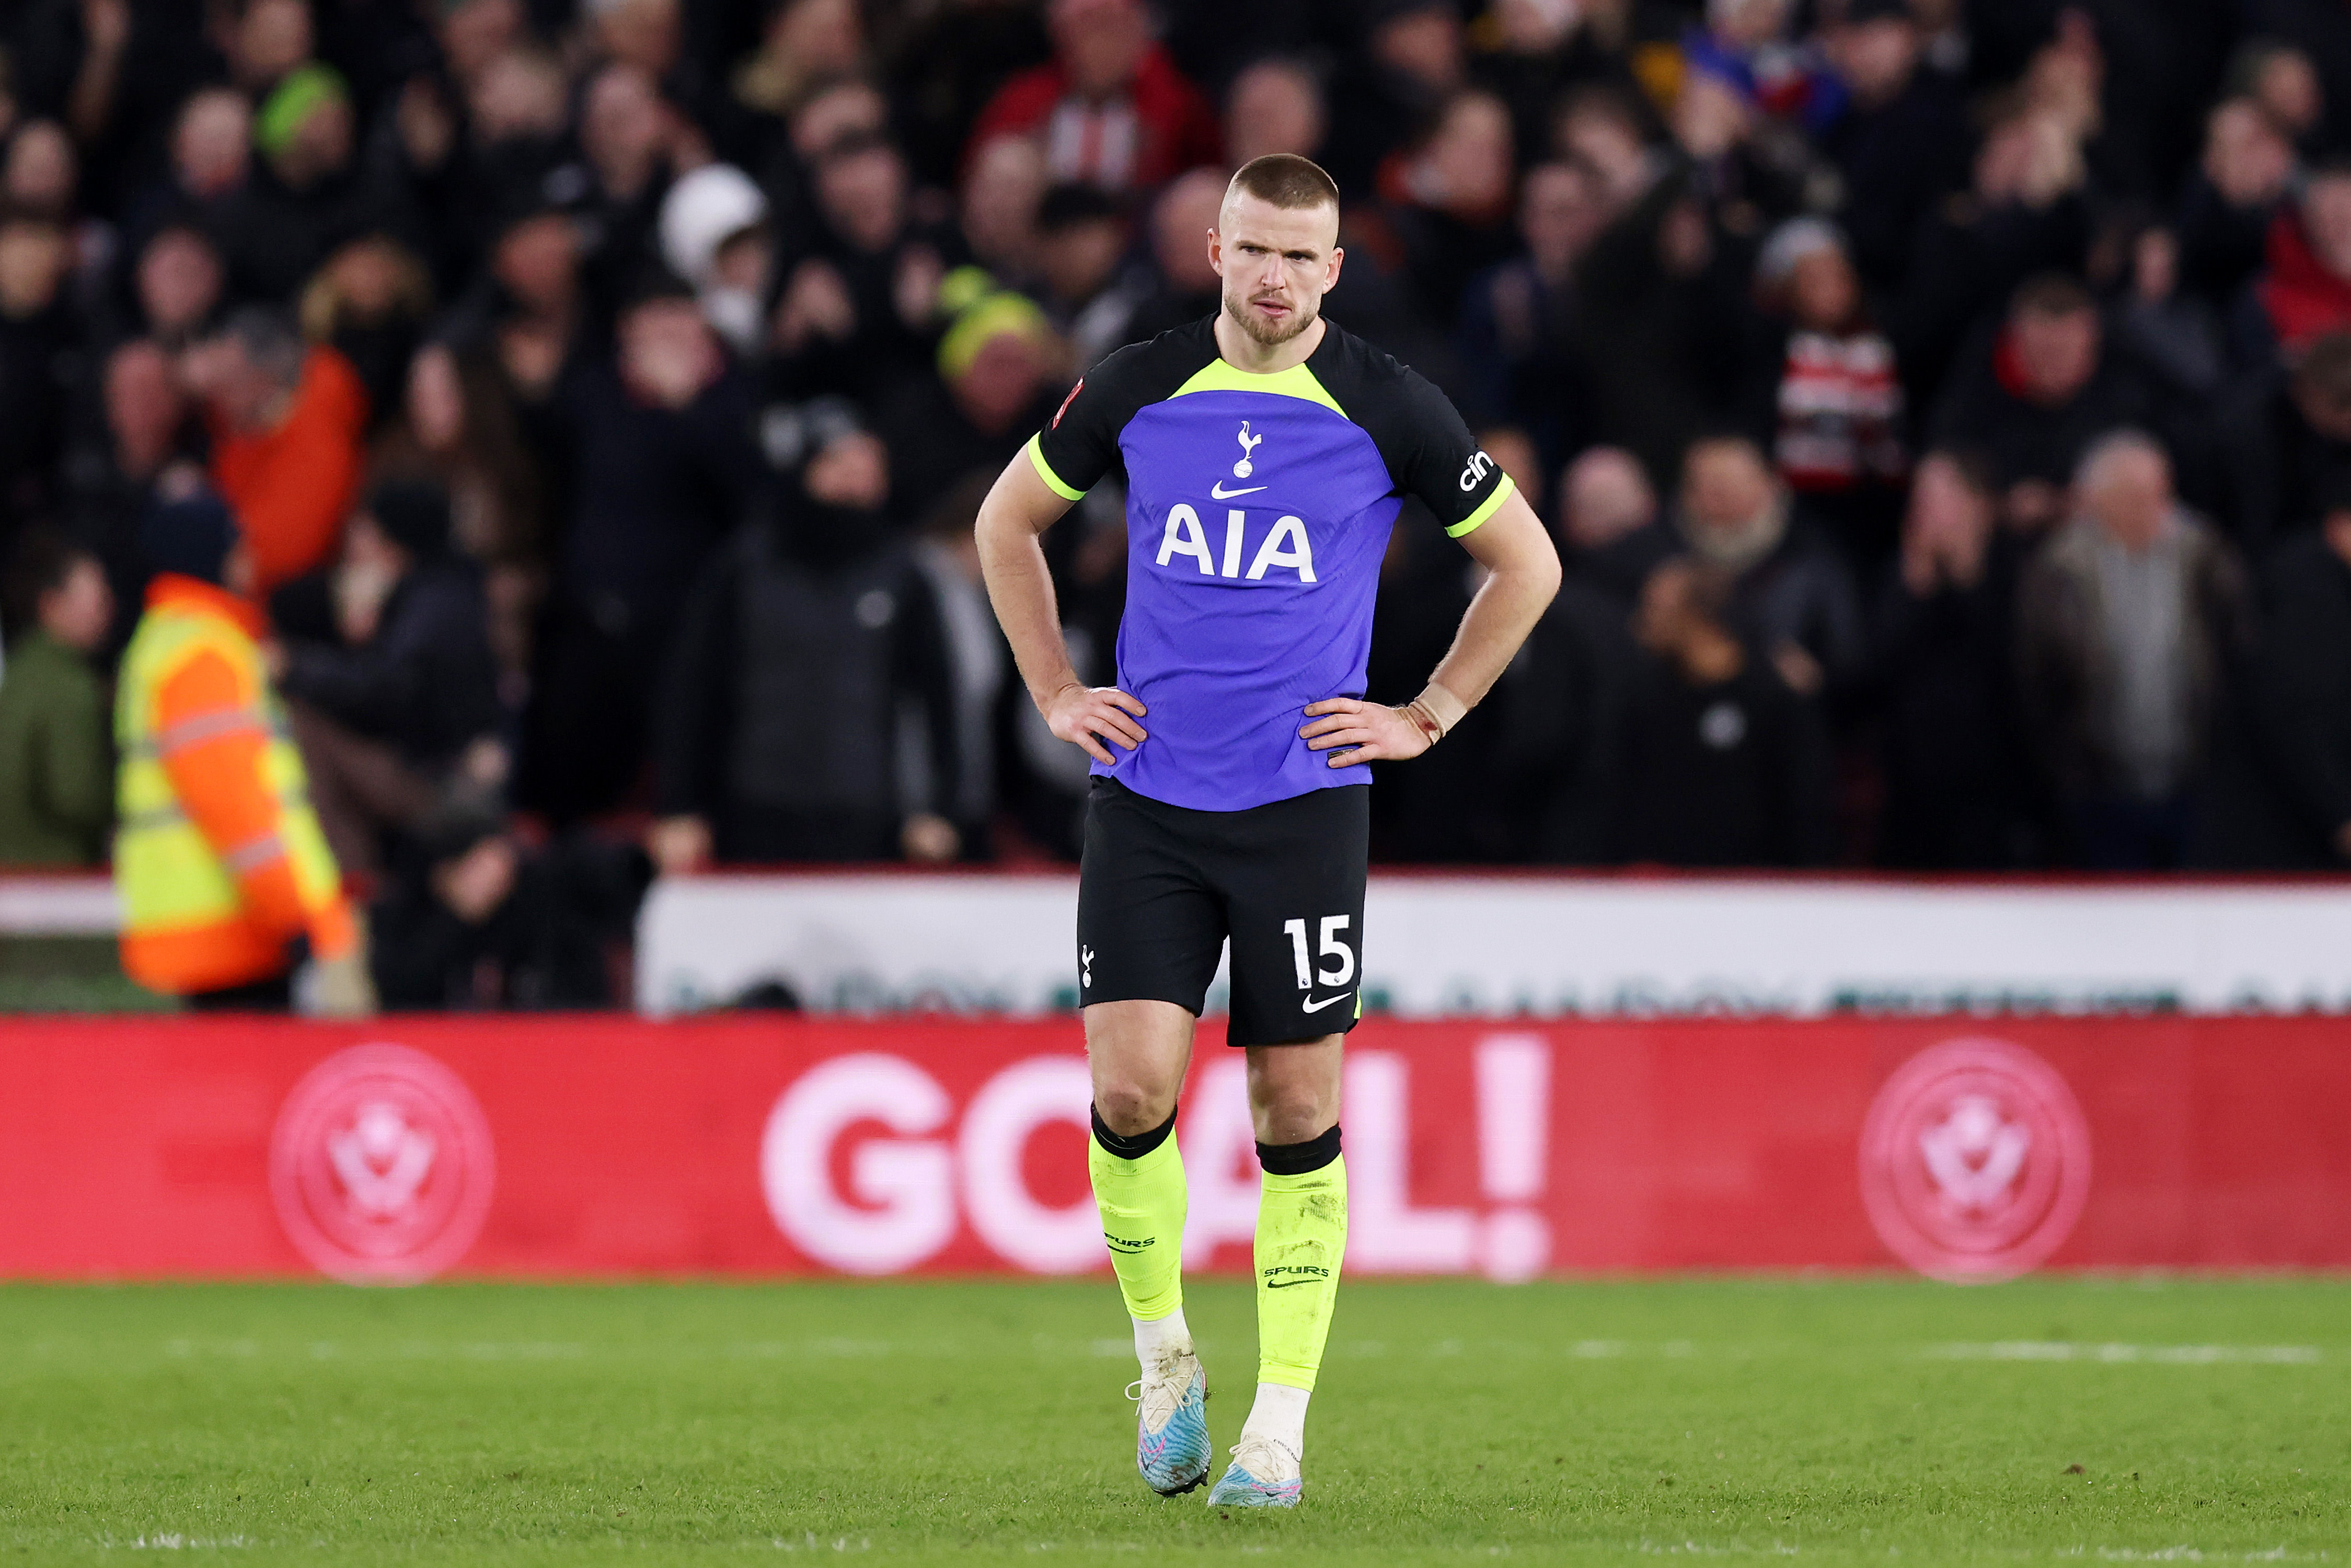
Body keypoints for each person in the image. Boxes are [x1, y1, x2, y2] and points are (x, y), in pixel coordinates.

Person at [973, 154, 1558, 1505]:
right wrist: (1055, 689)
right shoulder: (1136, 382)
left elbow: (1527, 562)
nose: (1277, 278)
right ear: (1213, 250)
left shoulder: (1388, 403)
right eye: (1255, 251)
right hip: (1152, 799)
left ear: (1335, 268)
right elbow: (1009, 524)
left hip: (1300, 808)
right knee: (1129, 1095)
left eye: (1304, 256)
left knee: (1295, 1107)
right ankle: (1166, 1362)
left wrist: (1432, 711)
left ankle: (1278, 1430)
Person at [112, 491, 372, 1014]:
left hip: (215, 933)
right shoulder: (203, 652)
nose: (248, 562)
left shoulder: (173, 641)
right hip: (236, 938)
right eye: (236, 548)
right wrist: (301, 918)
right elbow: (237, 808)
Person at [2016, 431, 2253, 869]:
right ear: (2096, 501)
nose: (2156, 508)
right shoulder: (2058, 570)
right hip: (2099, 786)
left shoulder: (2205, 555)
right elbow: (2039, 678)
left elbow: (2236, 649)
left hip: (2195, 779)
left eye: (2161, 492)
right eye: (2135, 497)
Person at [0, 535, 114, 866]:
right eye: (97, 599)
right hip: (54, 872)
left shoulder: (20, 669)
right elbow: (76, 796)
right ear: (51, 604)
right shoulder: (70, 686)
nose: (107, 611)